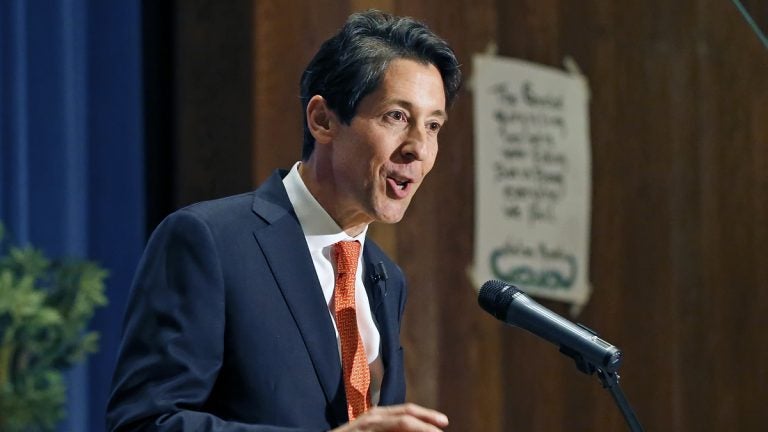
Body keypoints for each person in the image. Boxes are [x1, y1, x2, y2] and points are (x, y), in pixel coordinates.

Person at [107, 9, 461, 432]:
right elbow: (145, 422)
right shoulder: (210, 242)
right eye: (397, 117)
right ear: (323, 120)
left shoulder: (386, 276)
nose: (418, 148)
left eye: (434, 125)